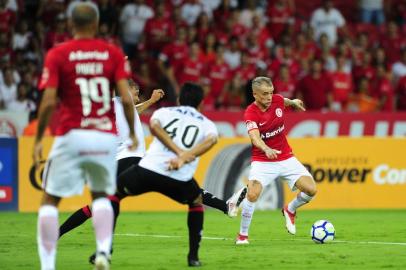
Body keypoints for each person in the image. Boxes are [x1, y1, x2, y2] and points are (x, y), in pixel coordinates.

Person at [33, 3, 137, 270]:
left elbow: (46, 103)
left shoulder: (58, 53)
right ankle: (103, 252)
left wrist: (37, 142)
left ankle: (47, 265)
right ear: (97, 24)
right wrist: (134, 133)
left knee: (50, 200)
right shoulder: (112, 54)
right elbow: (126, 99)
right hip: (104, 137)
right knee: (102, 196)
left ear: (71, 24)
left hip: (71, 133)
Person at [115, 82, 217, 267]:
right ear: (201, 103)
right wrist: (183, 156)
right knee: (196, 201)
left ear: (178, 100)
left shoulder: (163, 112)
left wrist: (177, 152)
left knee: (113, 195)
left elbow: (154, 127)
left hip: (148, 168)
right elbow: (211, 140)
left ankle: (103, 251)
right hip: (178, 177)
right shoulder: (207, 124)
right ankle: (193, 257)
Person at [234, 76, 317, 245]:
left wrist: (293, 102)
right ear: (255, 94)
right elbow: (254, 137)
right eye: (264, 94)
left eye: (271, 93)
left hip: (286, 157)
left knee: (311, 190)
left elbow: (283, 100)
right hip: (263, 160)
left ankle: (290, 209)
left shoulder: (277, 100)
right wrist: (266, 149)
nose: (269, 97)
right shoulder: (251, 112)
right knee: (252, 194)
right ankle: (242, 235)